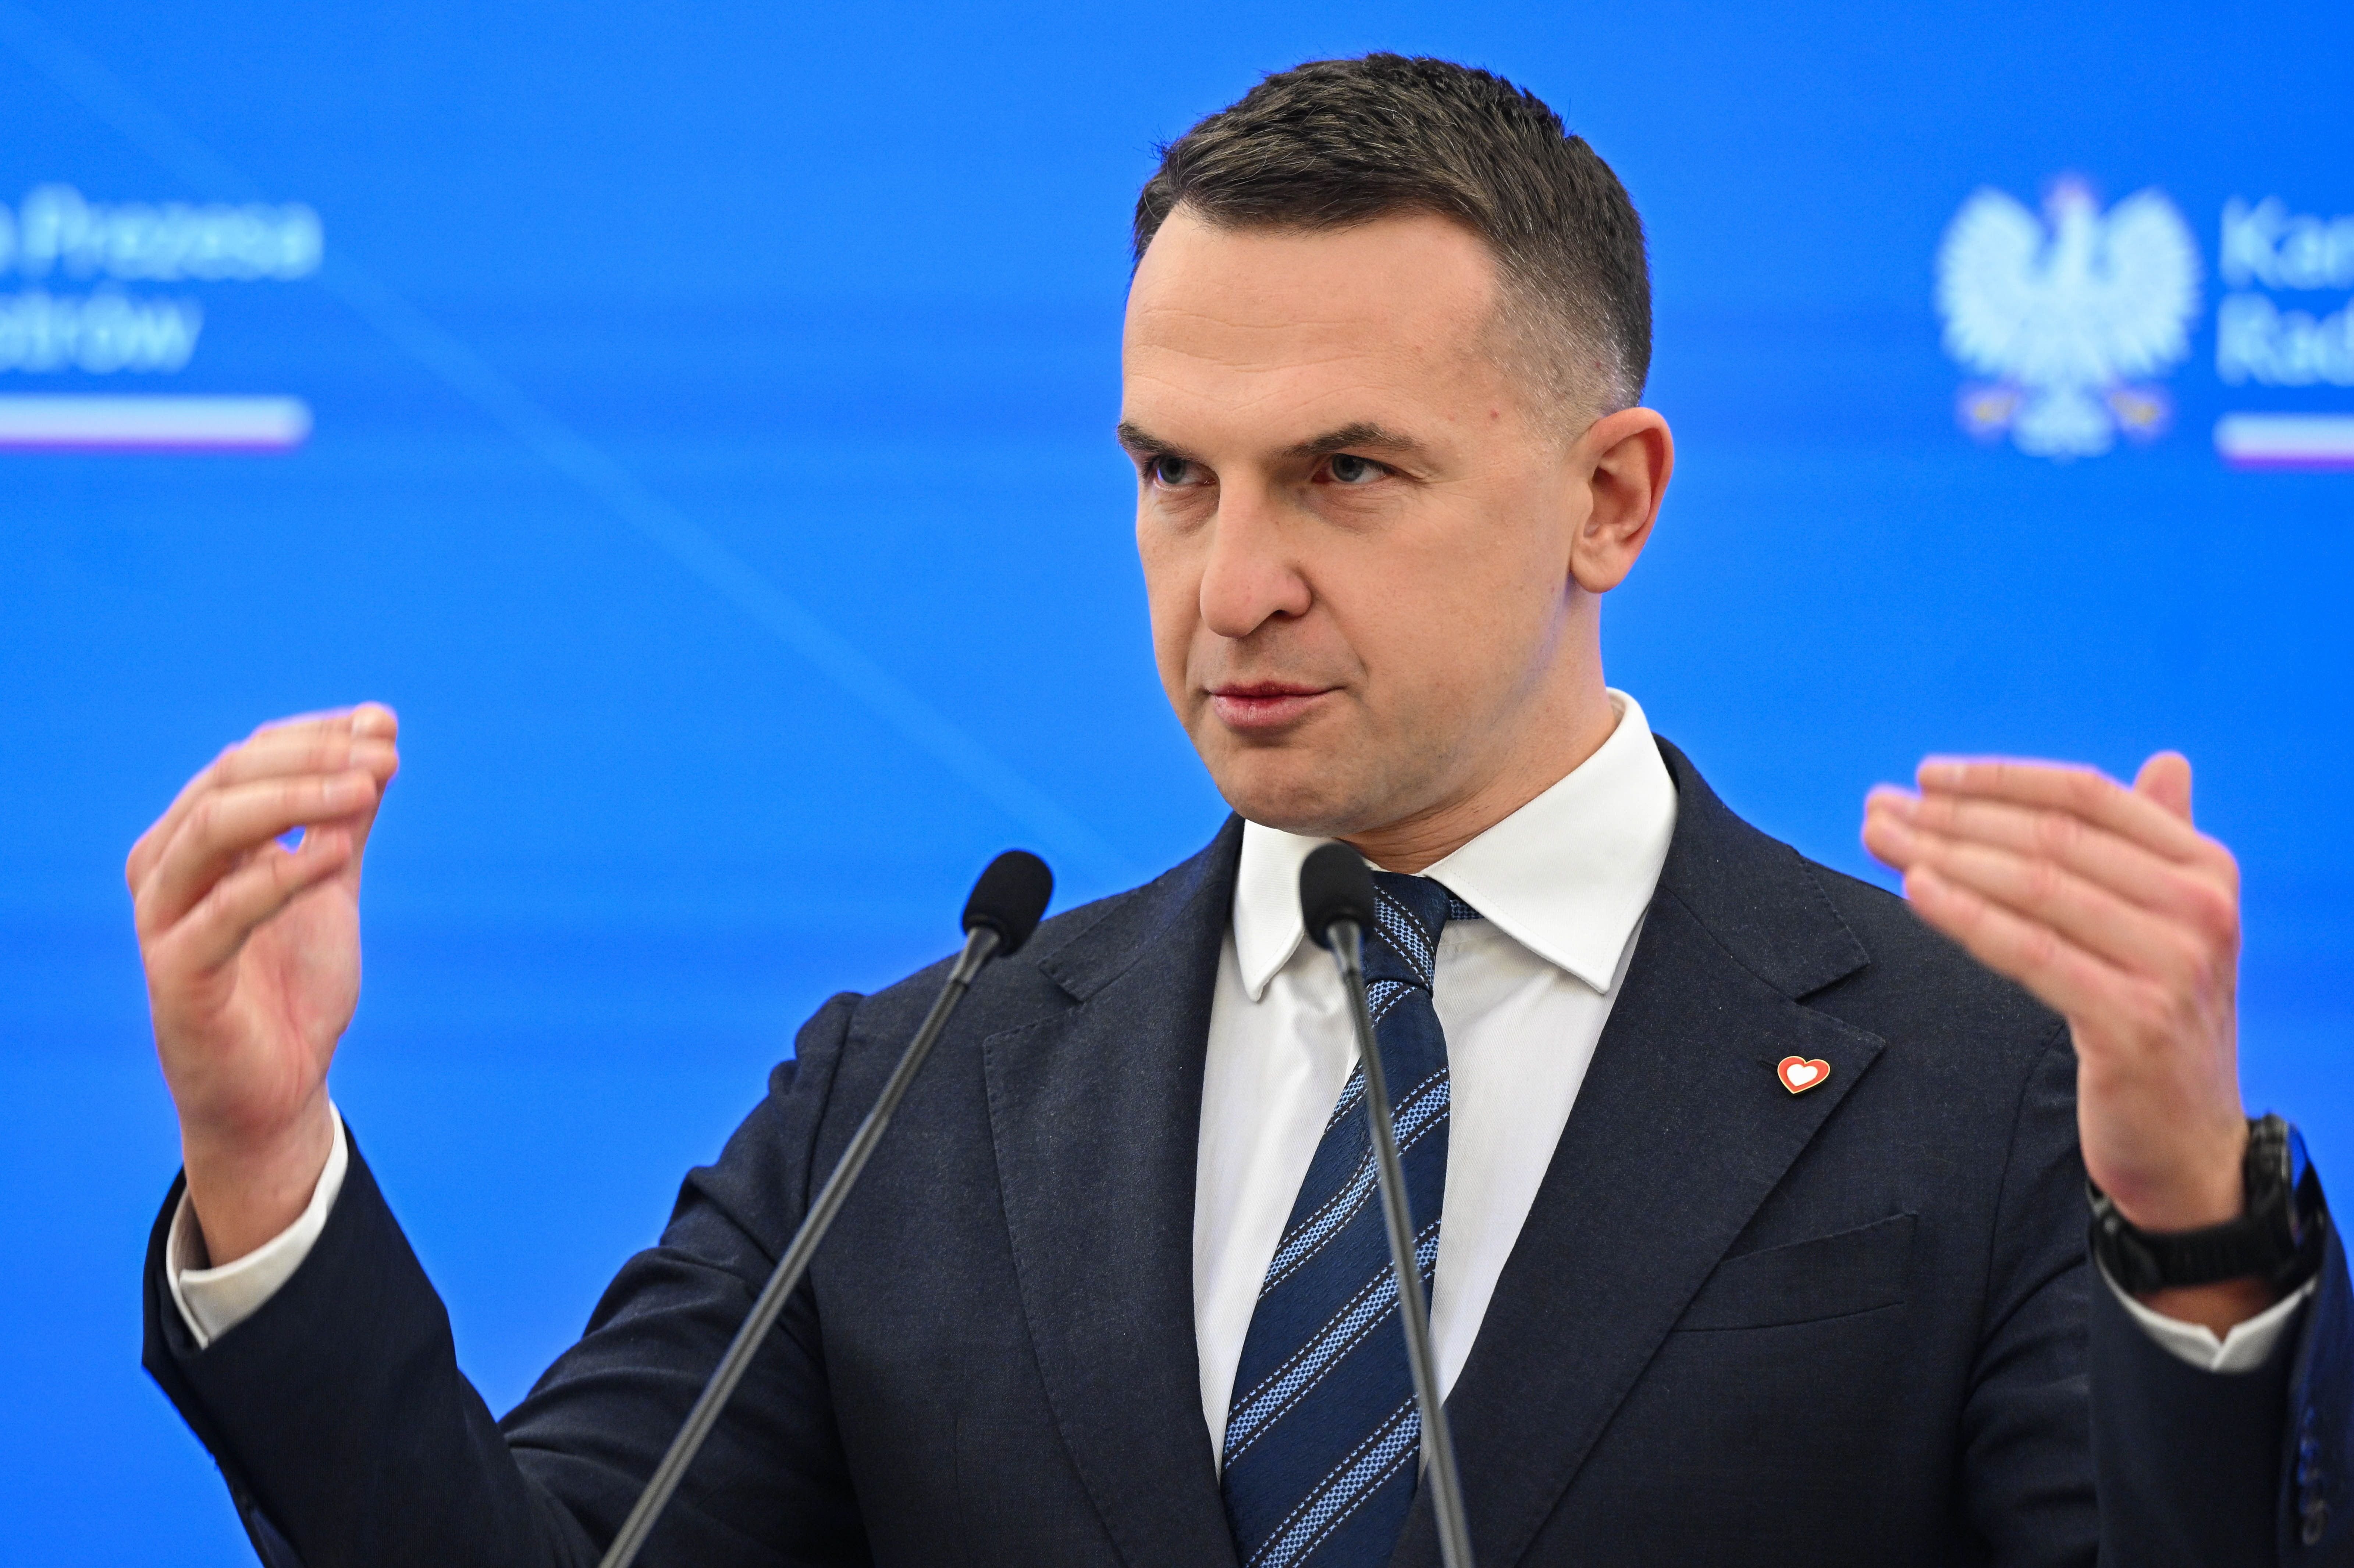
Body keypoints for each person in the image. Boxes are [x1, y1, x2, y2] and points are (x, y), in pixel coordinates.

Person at [131, 55, 2346, 1568]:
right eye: (1174, 474)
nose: (1233, 582)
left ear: (1610, 498)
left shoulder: (1979, 1085)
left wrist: (2181, 1227)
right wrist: (265, 1161)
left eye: (1344, 472)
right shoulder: (916, 1092)